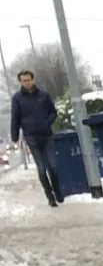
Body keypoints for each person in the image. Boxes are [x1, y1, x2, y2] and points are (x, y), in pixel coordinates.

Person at [10, 70, 61, 207]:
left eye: (28, 80)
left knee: (53, 166)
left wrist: (47, 122)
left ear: (33, 80)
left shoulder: (43, 96)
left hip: (46, 134)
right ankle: (50, 196)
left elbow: (53, 112)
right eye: (24, 80)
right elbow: (15, 117)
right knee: (41, 169)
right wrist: (14, 135)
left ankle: (57, 191)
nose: (27, 83)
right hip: (31, 136)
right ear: (20, 82)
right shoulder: (17, 98)